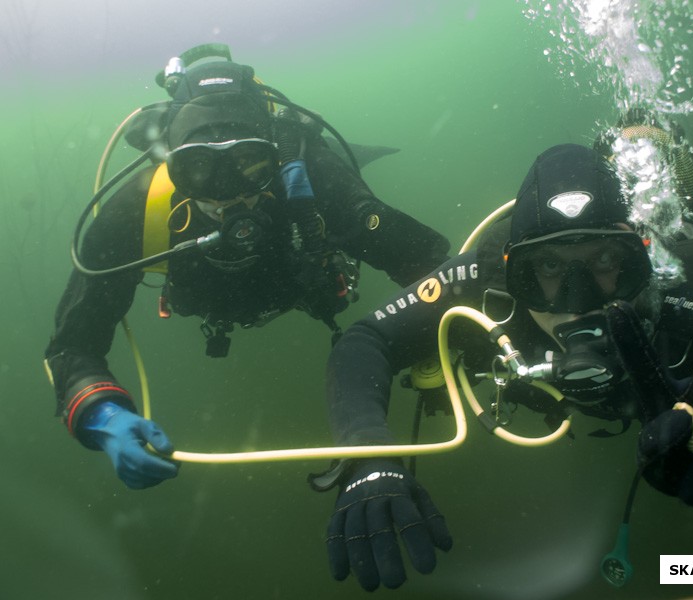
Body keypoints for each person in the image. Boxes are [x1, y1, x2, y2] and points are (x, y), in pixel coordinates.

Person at [319, 142, 693, 590]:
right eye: (548, 268)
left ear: (643, 262)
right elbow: (365, 339)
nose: (577, 301)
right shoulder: (486, 285)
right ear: (515, 271)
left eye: (607, 260)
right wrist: (369, 456)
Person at [44, 44, 450, 490]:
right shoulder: (136, 209)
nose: (226, 193)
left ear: (274, 155)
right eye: (198, 168)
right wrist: (101, 415)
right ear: (171, 164)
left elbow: (428, 265)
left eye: (249, 164)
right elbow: (73, 344)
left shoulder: (311, 172)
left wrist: (439, 340)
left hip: (304, 286)